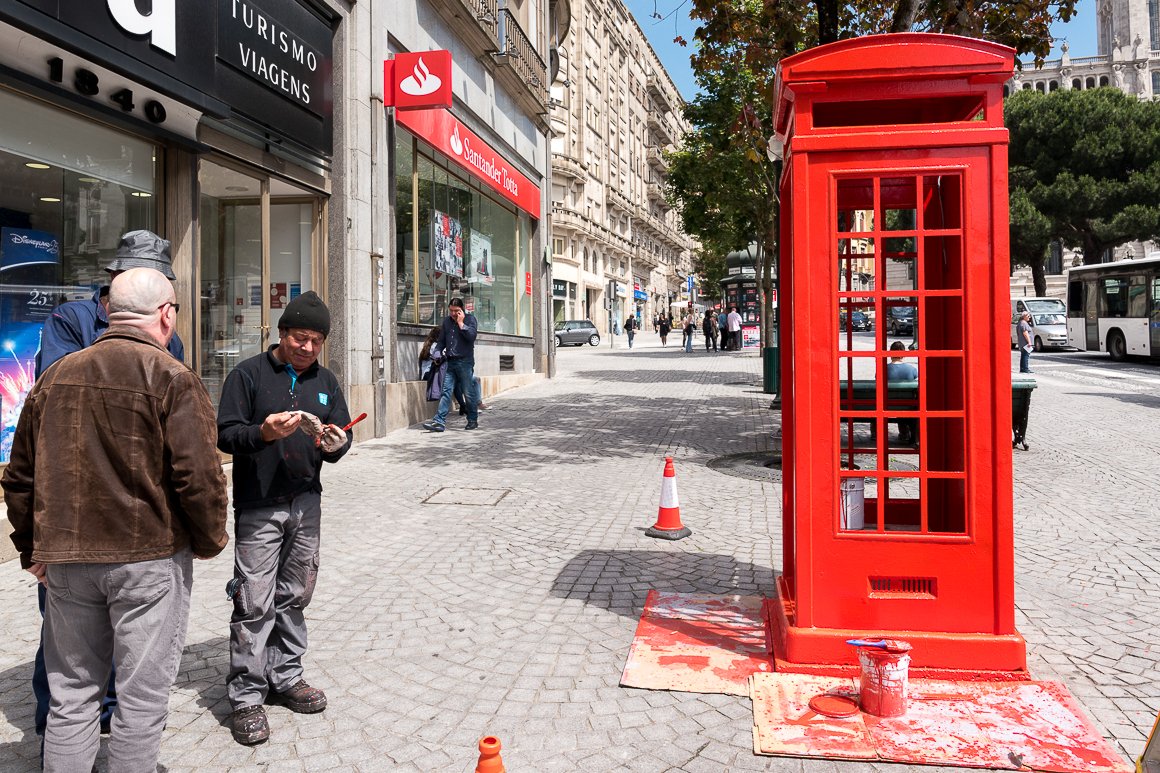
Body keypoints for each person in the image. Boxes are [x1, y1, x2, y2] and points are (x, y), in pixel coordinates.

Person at [3, 268, 229, 773]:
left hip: (68, 560)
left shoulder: (54, 377)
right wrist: (211, 540)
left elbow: (19, 478)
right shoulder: (172, 376)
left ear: (108, 310)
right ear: (167, 315)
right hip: (148, 559)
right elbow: (200, 477)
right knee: (141, 701)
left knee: (71, 698)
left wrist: (32, 550)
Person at [29, 229, 185, 749]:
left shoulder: (171, 338)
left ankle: (108, 732)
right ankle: (56, 733)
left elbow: (178, 434)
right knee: (68, 661)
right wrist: (31, 543)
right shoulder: (71, 322)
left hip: (135, 519)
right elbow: (53, 408)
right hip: (73, 516)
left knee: (131, 657)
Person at [216, 290, 353, 745]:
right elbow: (227, 435)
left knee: (295, 594)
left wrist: (337, 444)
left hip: (306, 502)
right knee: (254, 600)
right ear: (282, 334)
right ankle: (246, 696)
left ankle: (285, 676)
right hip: (259, 504)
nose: (307, 348)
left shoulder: (326, 381)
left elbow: (342, 437)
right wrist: (263, 432)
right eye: (300, 338)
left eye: (316, 340)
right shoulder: (248, 375)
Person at [422, 297, 480, 432]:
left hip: (465, 362)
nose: (454, 314)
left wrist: (461, 323)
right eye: (451, 311)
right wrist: (436, 352)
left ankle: (472, 419)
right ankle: (439, 422)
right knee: (446, 391)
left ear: (462, 310)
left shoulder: (470, 320)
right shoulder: (447, 322)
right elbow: (441, 341)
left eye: (457, 311)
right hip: (450, 361)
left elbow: (471, 337)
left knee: (468, 392)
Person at [886, 341, 919, 445]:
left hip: (887, 404)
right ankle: (906, 434)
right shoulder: (911, 369)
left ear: (890, 353)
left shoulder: (883, 368)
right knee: (905, 406)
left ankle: (875, 434)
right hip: (907, 404)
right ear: (904, 354)